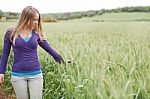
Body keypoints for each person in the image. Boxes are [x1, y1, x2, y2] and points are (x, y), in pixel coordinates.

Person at [0, 6, 64, 99]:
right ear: (25, 18)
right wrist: (1, 72)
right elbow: (5, 54)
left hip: (36, 75)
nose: (36, 22)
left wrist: (63, 62)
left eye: (37, 20)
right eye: (34, 19)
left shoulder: (37, 34)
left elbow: (50, 50)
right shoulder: (11, 33)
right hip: (18, 76)